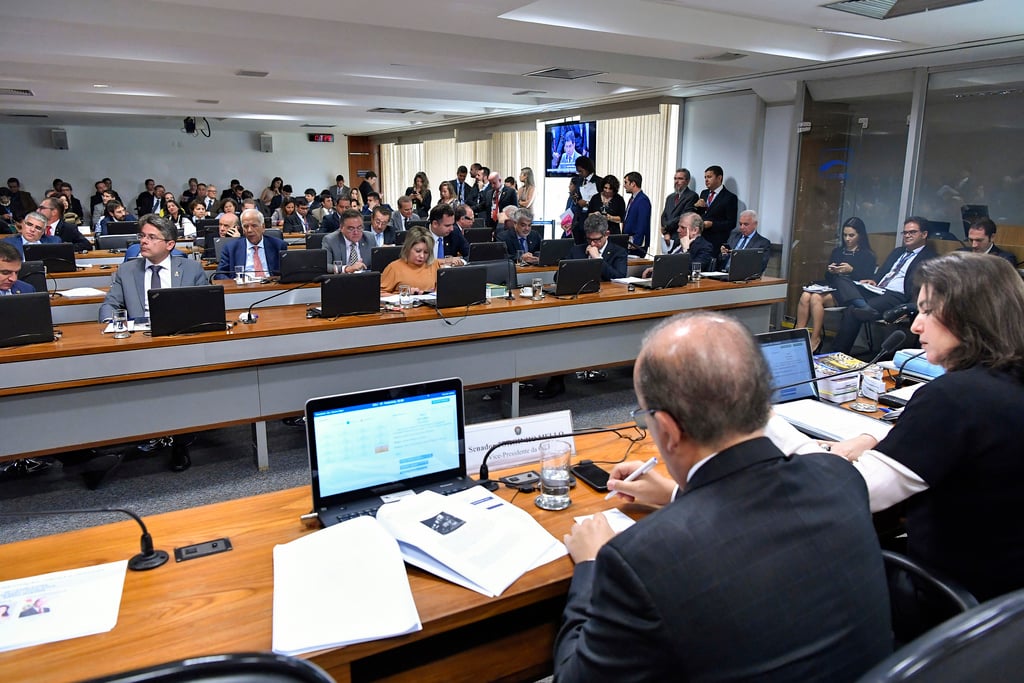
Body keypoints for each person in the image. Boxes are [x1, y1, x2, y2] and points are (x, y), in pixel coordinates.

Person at [554, 311, 892, 681]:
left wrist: (590, 566)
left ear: (666, 429)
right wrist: (675, 496)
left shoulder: (640, 559)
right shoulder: (838, 477)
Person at [793, 253, 1024, 605]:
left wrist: (790, 442)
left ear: (972, 315)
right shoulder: (1004, 384)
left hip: (947, 599)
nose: (916, 326)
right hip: (1005, 601)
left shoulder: (955, 397)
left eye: (928, 311)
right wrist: (875, 436)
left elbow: (857, 493)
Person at [831, 216, 937, 354]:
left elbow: (922, 288)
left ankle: (837, 353)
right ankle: (863, 305)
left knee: (851, 310)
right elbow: (882, 272)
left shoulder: (930, 257)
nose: (907, 235)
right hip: (877, 289)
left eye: (912, 232)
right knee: (841, 280)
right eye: (905, 232)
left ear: (924, 234)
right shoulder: (897, 252)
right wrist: (873, 281)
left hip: (896, 295)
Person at [99, 213, 207, 321]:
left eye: (151, 237)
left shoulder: (192, 269)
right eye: (142, 236)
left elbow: (205, 305)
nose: (143, 241)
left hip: (180, 330)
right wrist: (109, 322)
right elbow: (110, 305)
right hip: (139, 332)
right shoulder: (126, 270)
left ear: (169, 244)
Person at [796, 217, 877, 352]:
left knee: (815, 297)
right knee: (805, 295)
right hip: (834, 287)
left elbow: (867, 279)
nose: (847, 239)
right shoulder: (838, 251)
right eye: (845, 235)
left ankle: (815, 338)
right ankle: (798, 337)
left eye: (851, 235)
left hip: (852, 293)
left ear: (860, 236)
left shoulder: (867, 255)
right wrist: (831, 270)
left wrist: (851, 270)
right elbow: (828, 277)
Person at [215, 209, 286, 279]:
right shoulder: (231, 248)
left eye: (254, 226)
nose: (250, 230)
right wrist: (234, 284)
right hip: (243, 288)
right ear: (242, 229)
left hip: (271, 286)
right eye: (246, 226)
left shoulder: (278, 245)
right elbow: (219, 274)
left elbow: (287, 272)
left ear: (263, 227)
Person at [379, 226, 438, 294]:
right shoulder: (394, 268)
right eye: (418, 251)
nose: (422, 256)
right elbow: (380, 294)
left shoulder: (434, 265)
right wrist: (405, 294)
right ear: (408, 248)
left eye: (426, 252)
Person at [567, 214, 627, 281]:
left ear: (606, 234)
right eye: (589, 239)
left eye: (596, 240)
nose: (592, 243)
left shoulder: (619, 252)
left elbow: (620, 277)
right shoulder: (575, 251)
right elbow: (558, 277)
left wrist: (598, 259)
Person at [694, 165, 738, 252]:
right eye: (705, 177)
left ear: (719, 178)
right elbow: (699, 214)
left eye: (709, 177)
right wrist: (696, 206)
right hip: (700, 239)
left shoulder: (730, 197)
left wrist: (712, 224)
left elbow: (731, 223)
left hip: (716, 241)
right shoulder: (704, 193)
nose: (706, 180)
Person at [621, 171, 651, 256]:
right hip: (629, 240)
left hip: (636, 243)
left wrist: (636, 242)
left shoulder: (642, 200)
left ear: (633, 183)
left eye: (626, 182)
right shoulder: (633, 199)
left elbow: (642, 222)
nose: (624, 185)